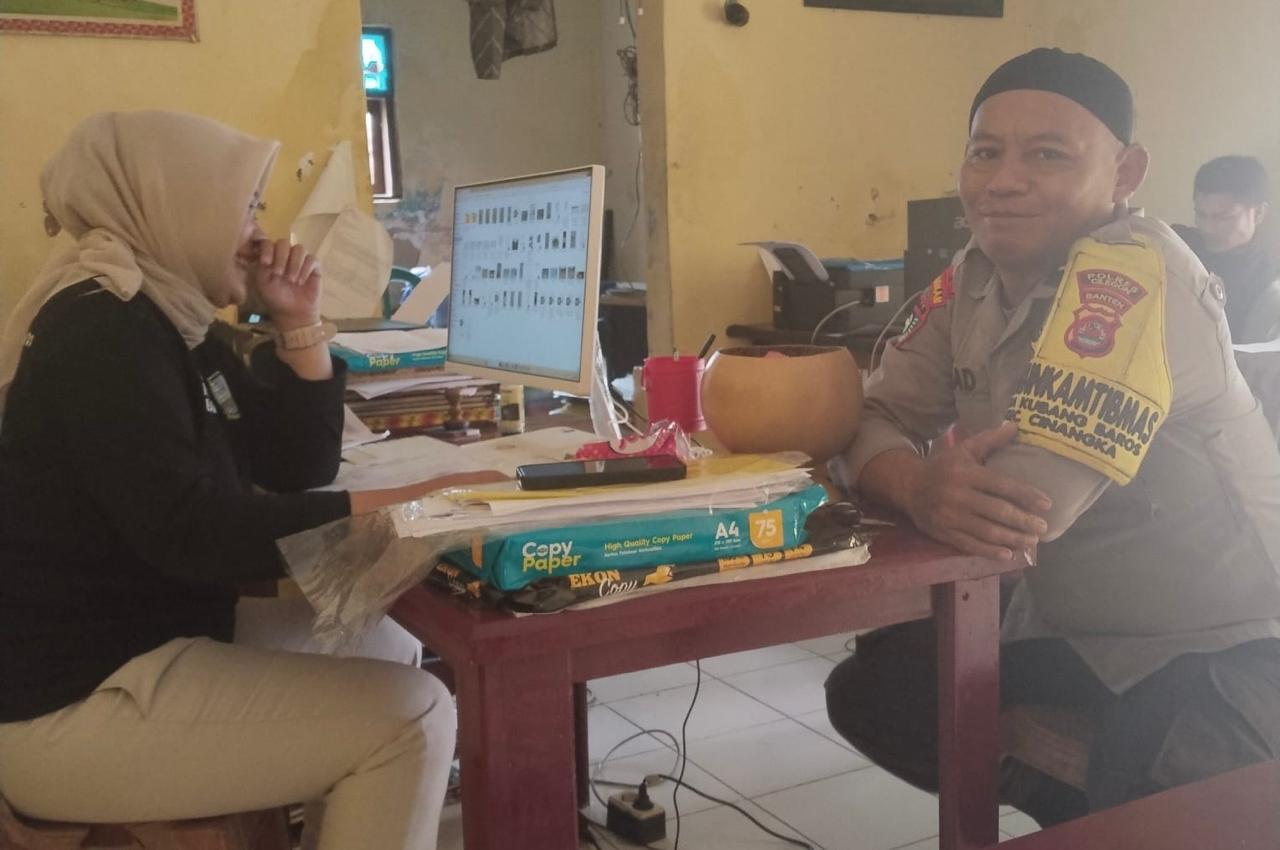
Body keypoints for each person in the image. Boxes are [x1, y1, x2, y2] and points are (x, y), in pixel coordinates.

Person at [0, 111, 496, 850]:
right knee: (414, 716)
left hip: (141, 644)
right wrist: (399, 508)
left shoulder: (171, 317)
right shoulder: (104, 332)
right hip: (73, 701)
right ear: (175, 203)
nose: (261, 234)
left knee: (381, 640)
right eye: (247, 207)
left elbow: (293, 465)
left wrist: (298, 323)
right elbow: (193, 530)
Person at [825, 49, 1280, 826]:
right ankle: (1074, 800)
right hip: (1072, 623)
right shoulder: (971, 276)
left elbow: (1019, 509)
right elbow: (865, 419)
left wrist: (914, 478)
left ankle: (1106, 799)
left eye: (1047, 155)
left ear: (1126, 172)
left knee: (1158, 780)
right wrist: (916, 483)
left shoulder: (1134, 275)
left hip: (1224, 642)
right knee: (882, 689)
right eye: (985, 153)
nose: (1003, 180)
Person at [1171, 155, 1280, 343]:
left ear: (1259, 213)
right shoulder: (1176, 244)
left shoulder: (1266, 284)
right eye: (1201, 215)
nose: (1208, 228)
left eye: (1224, 217)